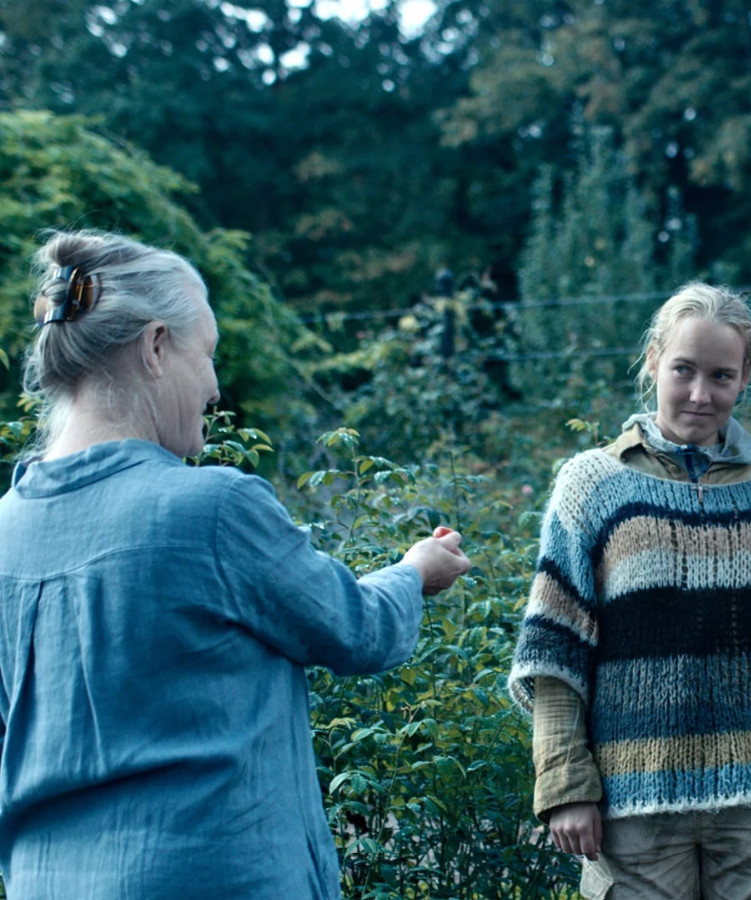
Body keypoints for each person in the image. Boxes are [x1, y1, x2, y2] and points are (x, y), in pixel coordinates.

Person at [0, 230, 473, 897]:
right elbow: (357, 629)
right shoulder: (213, 509)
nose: (215, 387)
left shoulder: (6, 527)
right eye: (207, 354)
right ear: (155, 347)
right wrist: (416, 571)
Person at [508, 283, 751, 900]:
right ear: (653, 360)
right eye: (683, 369)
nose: (701, 394)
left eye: (721, 376)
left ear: (745, 377)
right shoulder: (592, 483)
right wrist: (566, 785)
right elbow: (554, 648)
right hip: (633, 799)